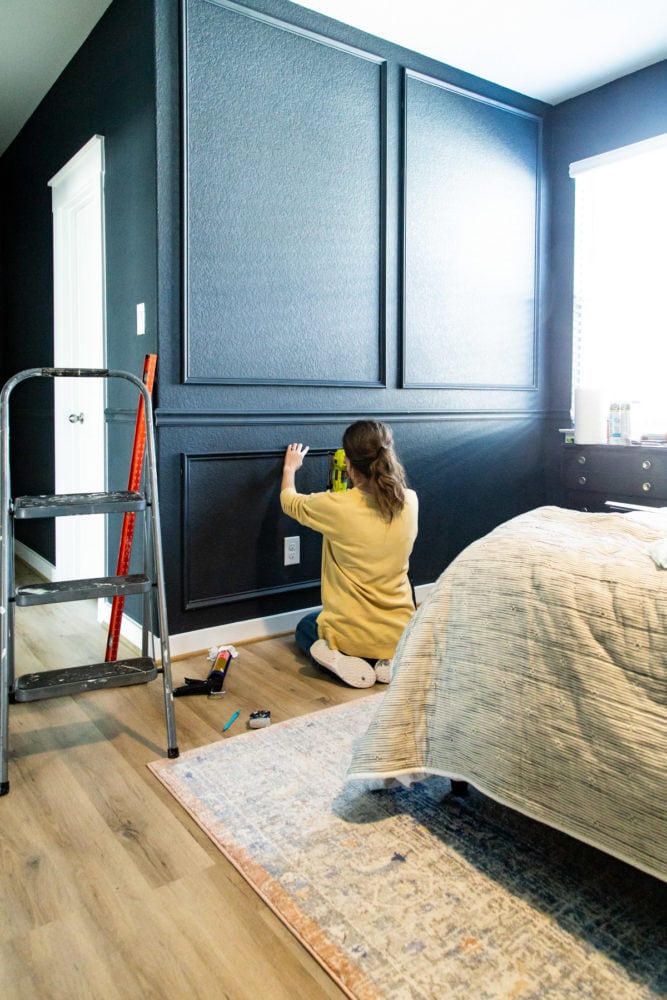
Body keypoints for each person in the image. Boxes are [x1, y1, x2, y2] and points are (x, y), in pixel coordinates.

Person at [280, 420, 418, 688]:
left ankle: (341, 657)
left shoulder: (336, 507)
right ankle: (387, 660)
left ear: (349, 465)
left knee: (306, 626)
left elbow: (289, 501)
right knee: (327, 622)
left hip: (351, 635)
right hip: (399, 631)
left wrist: (290, 467)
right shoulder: (410, 500)